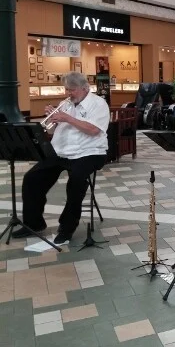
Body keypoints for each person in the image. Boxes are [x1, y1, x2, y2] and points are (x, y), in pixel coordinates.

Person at [12, 72, 109, 244]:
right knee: (31, 178)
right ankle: (34, 224)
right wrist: (53, 120)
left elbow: (94, 130)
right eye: (66, 89)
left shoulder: (98, 104)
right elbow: (50, 131)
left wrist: (68, 118)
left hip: (90, 152)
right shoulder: (66, 104)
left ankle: (66, 228)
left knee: (76, 182)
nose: (68, 93)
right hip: (61, 151)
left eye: (72, 90)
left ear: (85, 88)